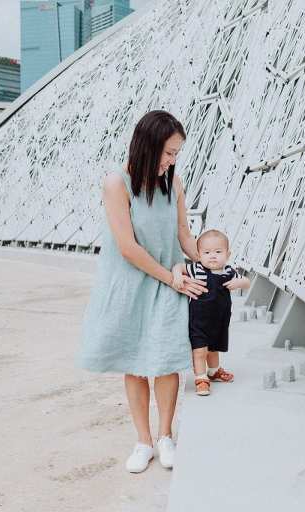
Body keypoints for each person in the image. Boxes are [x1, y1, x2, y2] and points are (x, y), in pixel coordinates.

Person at [78, 110, 207, 474]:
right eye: (169, 152)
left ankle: (166, 435)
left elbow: (183, 235)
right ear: (148, 147)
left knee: (166, 358)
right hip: (133, 281)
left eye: (177, 153)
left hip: (169, 278)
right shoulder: (116, 183)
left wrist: (211, 259)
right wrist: (170, 277)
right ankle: (143, 441)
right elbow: (128, 248)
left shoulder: (174, 183)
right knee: (135, 363)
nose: (172, 160)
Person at [171, 229, 250, 396]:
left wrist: (239, 282)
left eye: (218, 252)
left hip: (219, 320)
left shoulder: (229, 271)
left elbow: (247, 281)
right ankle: (200, 378)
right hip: (198, 321)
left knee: (214, 348)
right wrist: (177, 275)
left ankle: (213, 371)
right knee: (200, 350)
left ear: (227, 254)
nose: (212, 256)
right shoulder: (197, 269)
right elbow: (179, 266)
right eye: (207, 252)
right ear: (199, 255)